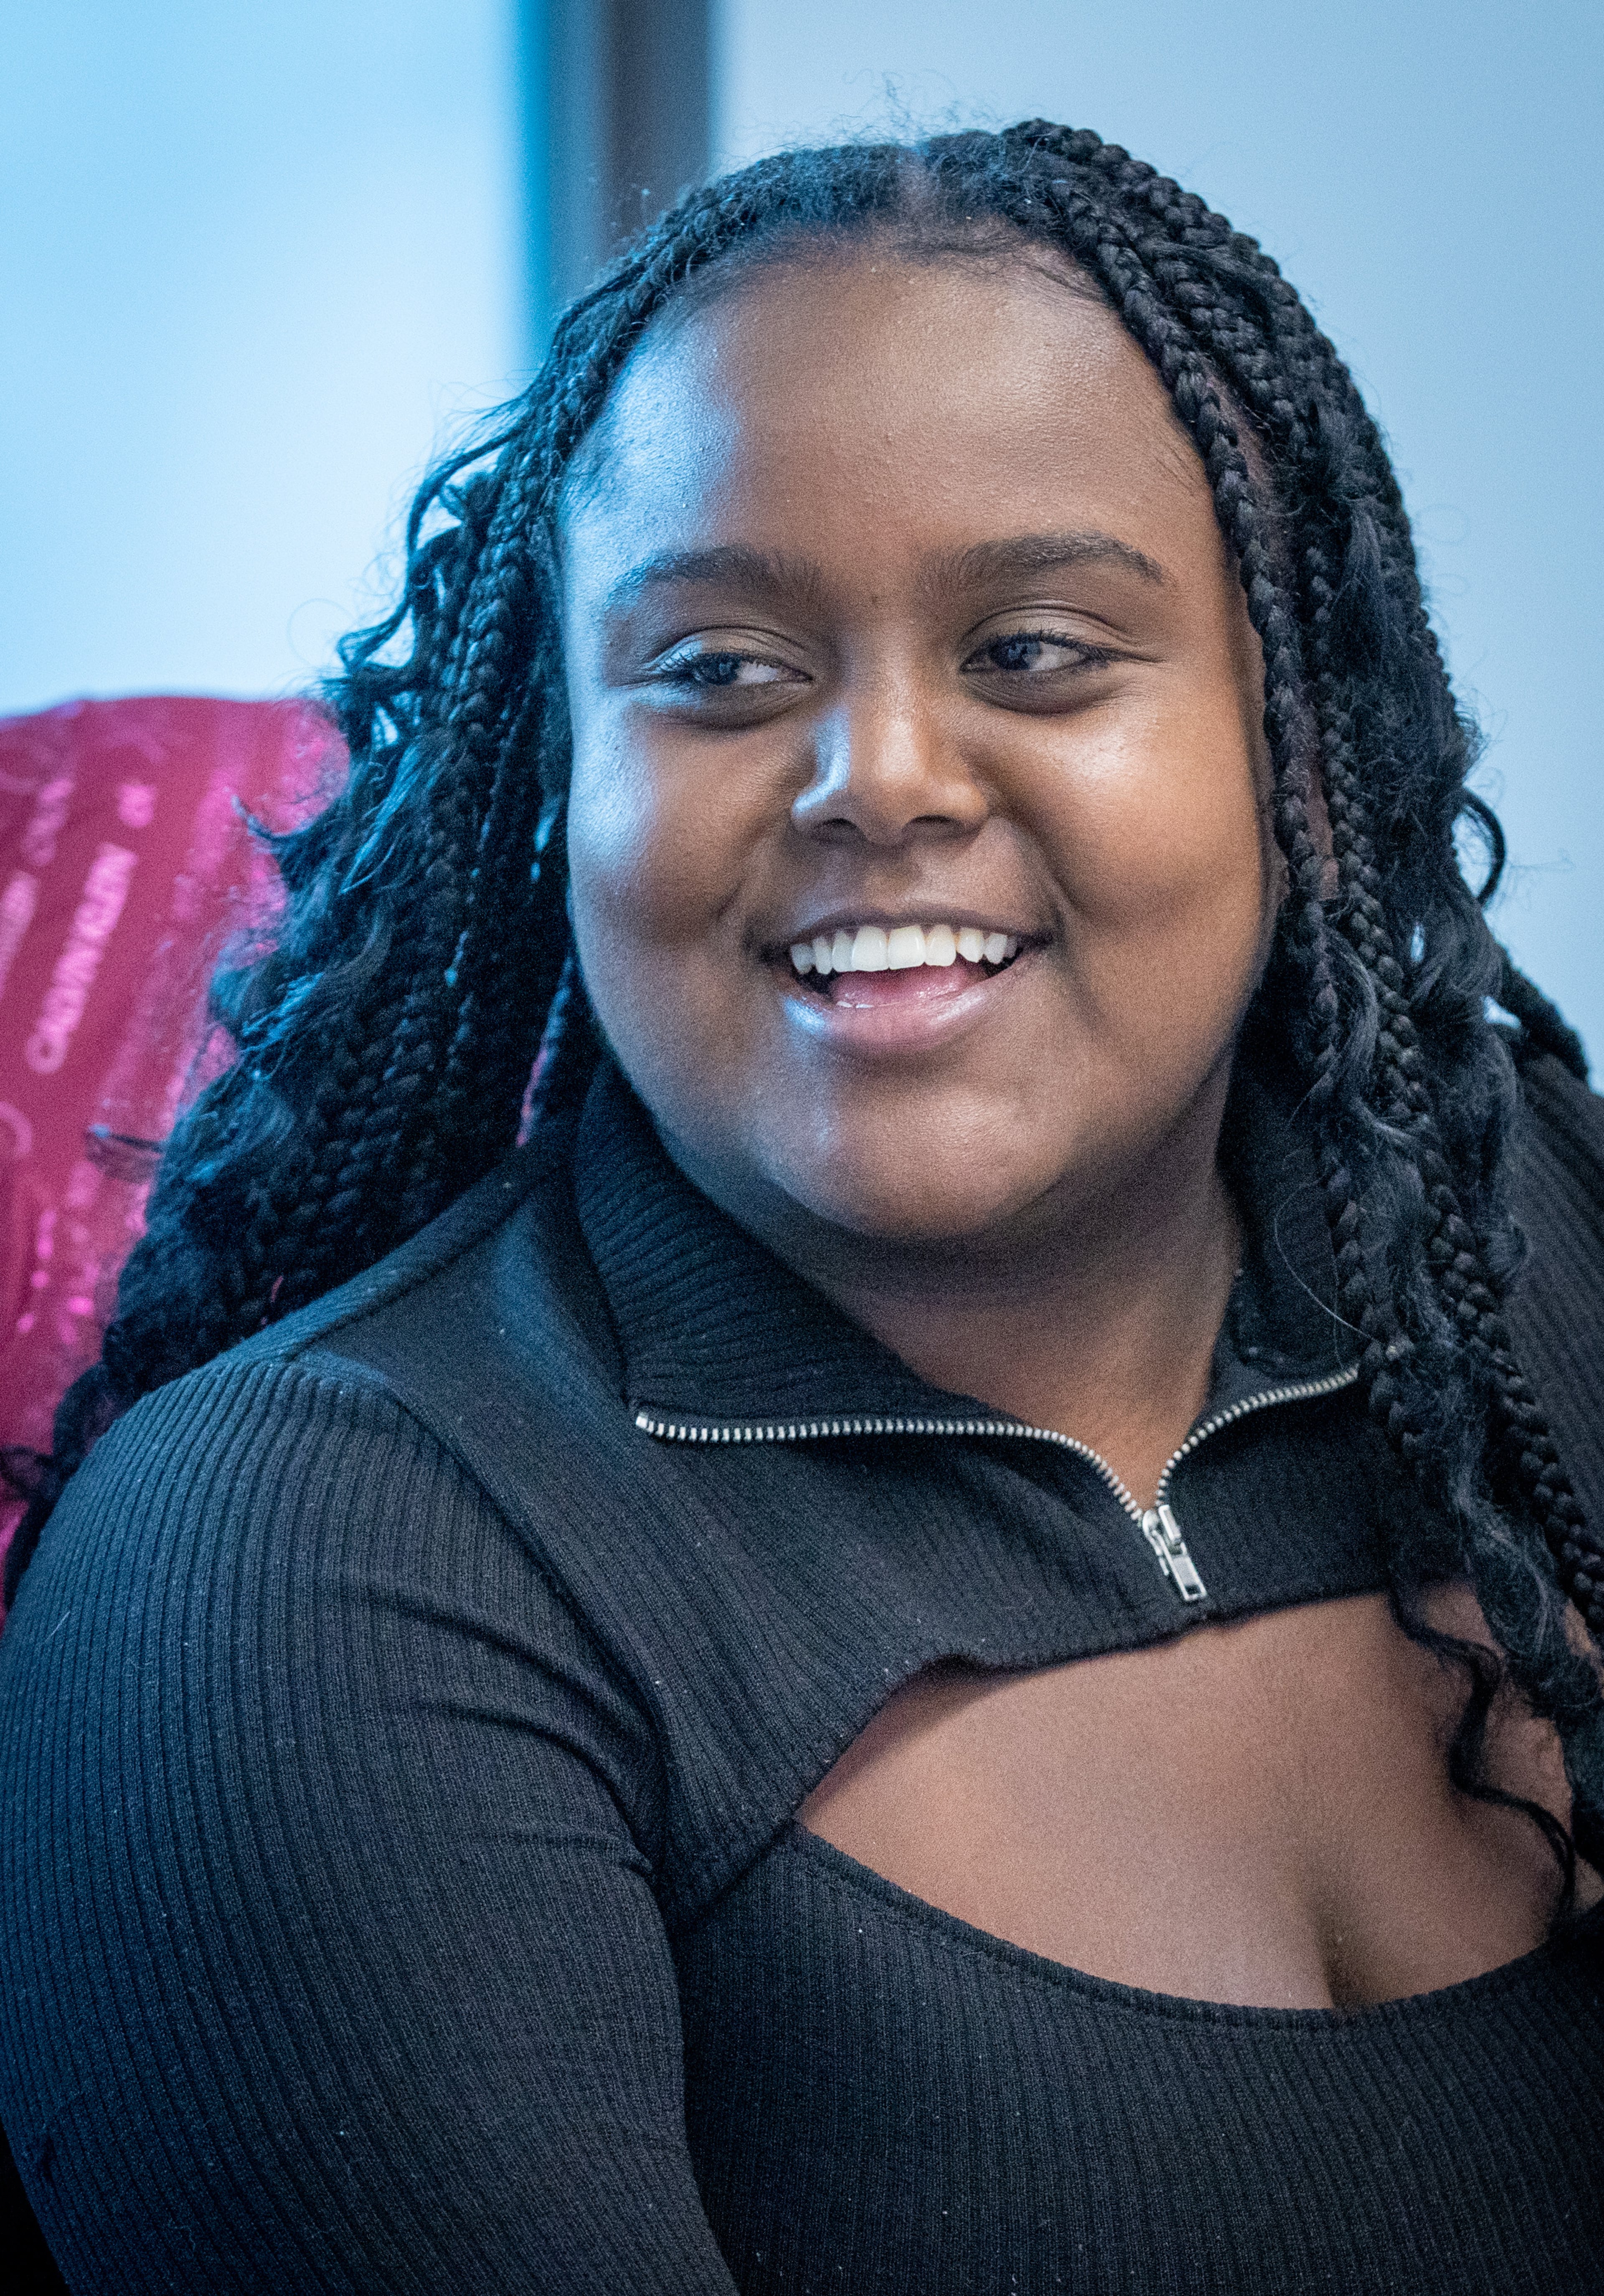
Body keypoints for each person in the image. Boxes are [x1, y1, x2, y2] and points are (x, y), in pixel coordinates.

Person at [3, 122, 1603, 2293]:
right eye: (719, 673)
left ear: (1293, 740)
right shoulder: (292, 1565)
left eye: (1040, 649)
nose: (883, 778)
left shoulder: (1547, 1242)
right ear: (564, 783)